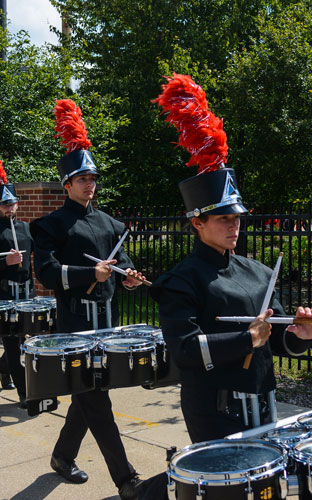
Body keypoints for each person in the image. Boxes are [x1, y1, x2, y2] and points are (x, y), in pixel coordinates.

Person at [150, 74, 312, 443]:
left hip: (264, 401)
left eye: (237, 218)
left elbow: (277, 341)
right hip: (214, 409)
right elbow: (184, 350)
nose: (234, 226)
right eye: (223, 218)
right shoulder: (181, 280)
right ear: (198, 222)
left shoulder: (259, 273)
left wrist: (303, 334)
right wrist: (245, 340)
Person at [30, 99, 144, 500]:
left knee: (88, 394)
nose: (89, 184)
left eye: (93, 178)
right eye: (82, 179)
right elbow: (45, 272)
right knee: (97, 398)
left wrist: (127, 277)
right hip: (76, 324)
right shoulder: (49, 224)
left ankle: (62, 456)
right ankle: (126, 479)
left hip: (109, 323)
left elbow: (122, 263)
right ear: (67, 185)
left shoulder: (112, 223)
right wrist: (85, 275)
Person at [0, 161, 33, 408]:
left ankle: (4, 370)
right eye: (4, 204)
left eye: (12, 203)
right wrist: (6, 263)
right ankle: (25, 394)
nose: (9, 208)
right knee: (13, 343)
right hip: (3, 295)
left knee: (24, 341)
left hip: (26, 293)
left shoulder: (26, 229)